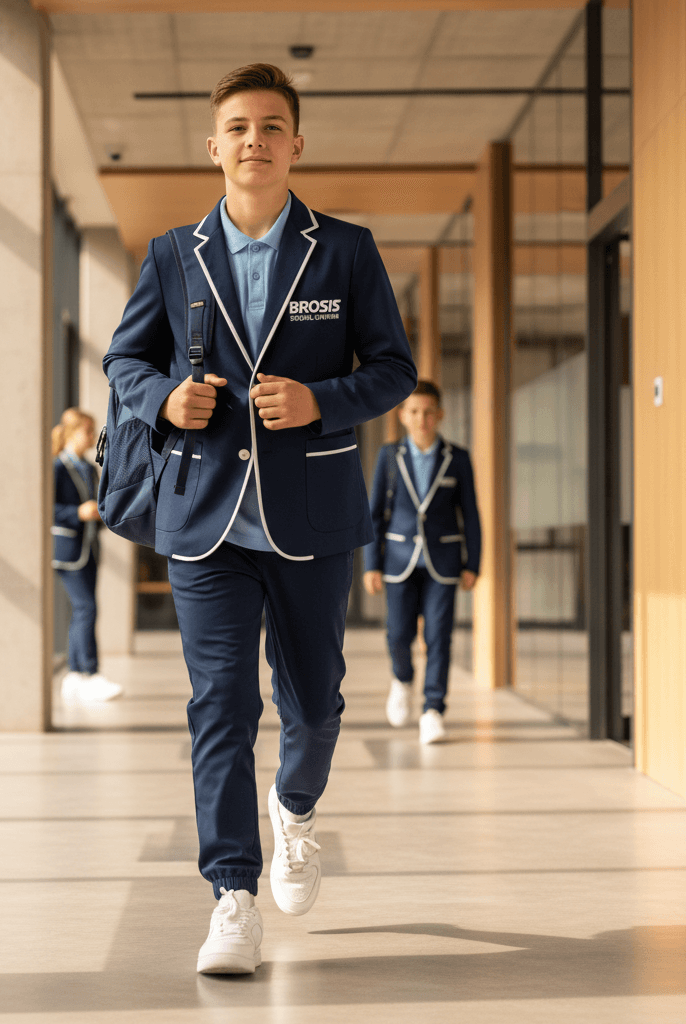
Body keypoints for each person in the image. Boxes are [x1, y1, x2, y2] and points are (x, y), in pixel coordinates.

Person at [102, 64, 415, 975]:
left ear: (296, 144)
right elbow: (125, 361)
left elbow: (393, 369)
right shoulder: (173, 254)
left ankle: (296, 809)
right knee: (222, 703)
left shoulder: (345, 250)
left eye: (272, 126)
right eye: (238, 127)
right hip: (204, 519)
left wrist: (322, 401)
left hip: (310, 515)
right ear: (215, 146)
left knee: (315, 703)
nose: (255, 140)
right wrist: (165, 400)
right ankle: (232, 896)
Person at [362, 380, 481, 744]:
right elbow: (374, 514)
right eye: (414, 411)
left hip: (443, 561)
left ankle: (433, 710)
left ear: (440, 415)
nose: (422, 419)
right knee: (398, 634)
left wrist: (473, 563)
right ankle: (402, 680)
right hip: (398, 560)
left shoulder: (457, 458)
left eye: (429, 412)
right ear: (402, 415)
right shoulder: (389, 456)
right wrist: (371, 564)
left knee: (439, 637)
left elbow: (471, 514)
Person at [52, 408, 122, 703]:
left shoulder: (88, 467)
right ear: (72, 432)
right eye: (88, 431)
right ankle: (89, 674)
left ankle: (75, 675)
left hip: (89, 548)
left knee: (82, 611)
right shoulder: (57, 467)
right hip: (68, 551)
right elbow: (47, 508)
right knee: (86, 608)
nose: (93, 437)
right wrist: (78, 513)